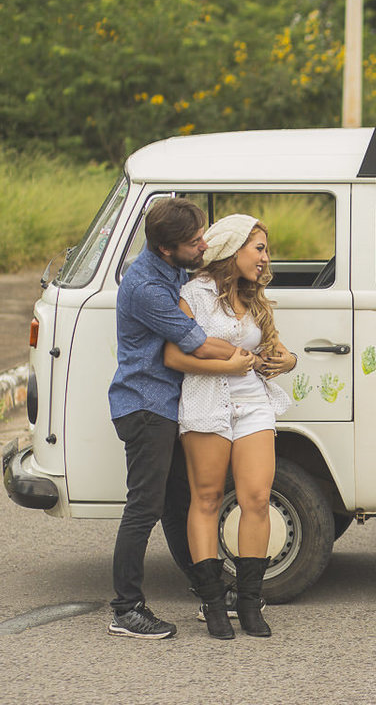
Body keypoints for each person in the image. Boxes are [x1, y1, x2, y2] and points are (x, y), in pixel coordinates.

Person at [107, 198, 249, 640]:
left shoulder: (171, 266)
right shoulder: (147, 287)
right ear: (167, 248)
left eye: (202, 236)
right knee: (144, 507)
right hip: (145, 405)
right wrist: (247, 356)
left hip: (164, 404)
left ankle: (209, 590)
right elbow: (197, 343)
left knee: (177, 504)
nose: (203, 245)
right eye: (194, 242)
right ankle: (126, 609)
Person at [163, 214, 296, 639]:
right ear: (233, 249)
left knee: (256, 498)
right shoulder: (194, 295)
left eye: (265, 250)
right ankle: (213, 602)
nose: (265, 258)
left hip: (254, 403)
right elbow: (173, 357)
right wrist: (227, 365)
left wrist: (289, 361)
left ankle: (250, 602)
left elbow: (274, 348)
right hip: (206, 403)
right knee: (206, 499)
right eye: (259, 249)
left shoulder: (253, 295)